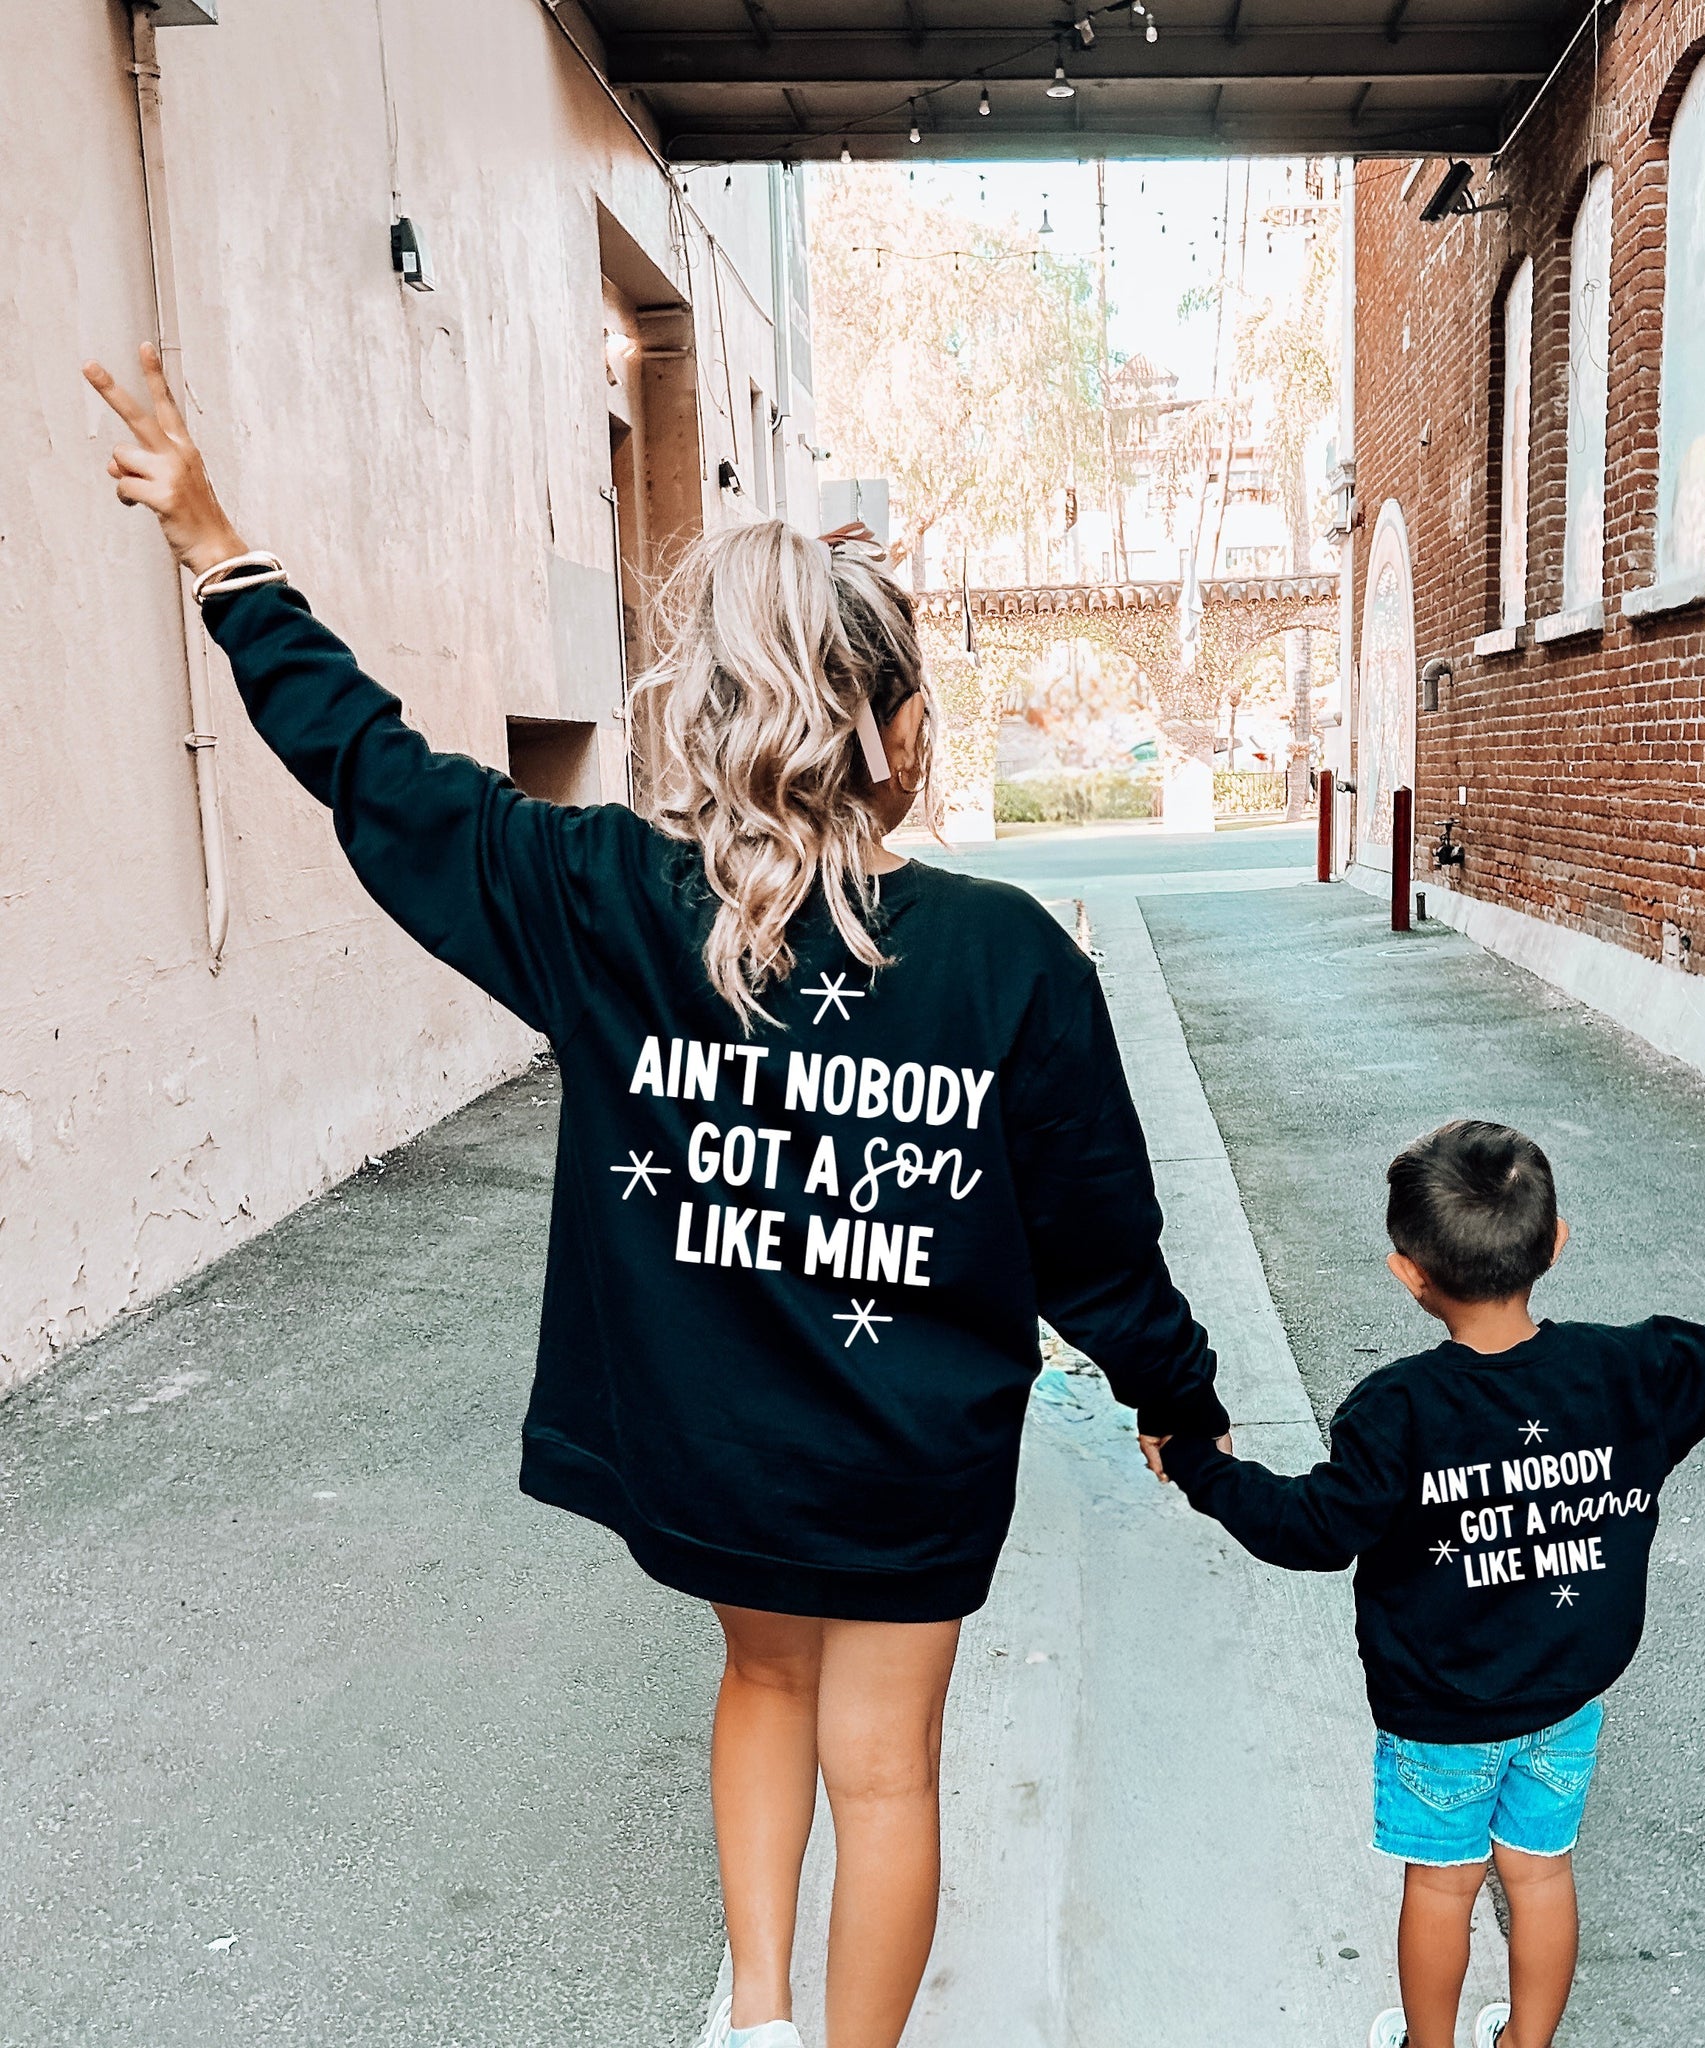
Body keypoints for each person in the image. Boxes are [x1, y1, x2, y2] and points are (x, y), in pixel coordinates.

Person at [85, 346, 1231, 2048]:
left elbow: (378, 773)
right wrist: (1176, 1400)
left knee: (758, 1677)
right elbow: (1099, 1243)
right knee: (885, 1764)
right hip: (906, 1469)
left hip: (714, 1447)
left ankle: (753, 2013)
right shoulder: (1008, 961)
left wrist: (216, 547)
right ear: (902, 737)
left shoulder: (604, 903)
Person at [1146, 1118, 1705, 2048]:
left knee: (1442, 1884)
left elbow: (1310, 1529)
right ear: (1557, 1243)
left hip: (1437, 1715)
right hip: (1567, 1700)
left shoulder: (1397, 1409)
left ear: (1407, 1273)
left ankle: (1430, 2043)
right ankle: (1526, 2043)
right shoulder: (1629, 1373)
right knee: (1539, 1874)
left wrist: (1202, 1465)